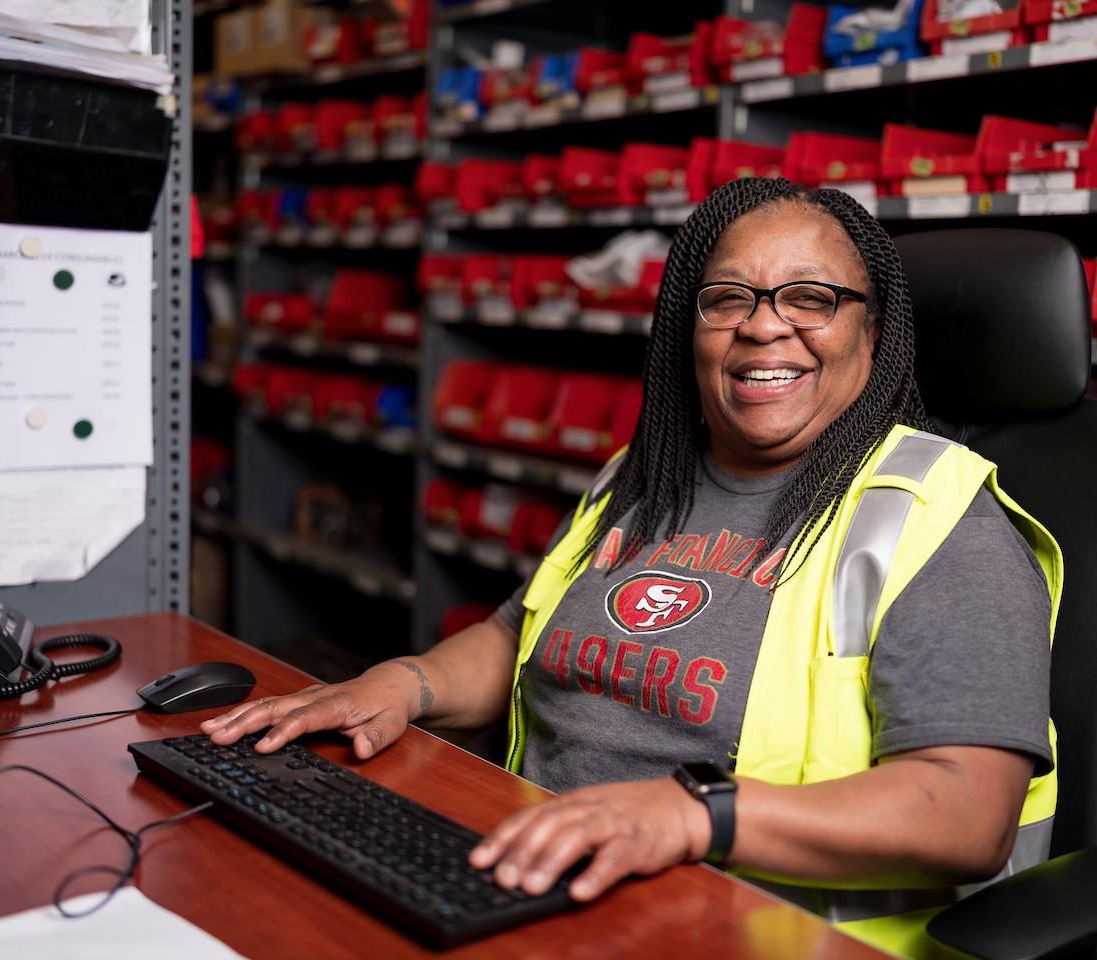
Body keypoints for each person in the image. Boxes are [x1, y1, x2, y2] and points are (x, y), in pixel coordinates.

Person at [202, 177, 1060, 959]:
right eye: (730, 299)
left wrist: (693, 814)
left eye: (812, 299)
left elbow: (966, 814)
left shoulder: (933, 522)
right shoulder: (644, 476)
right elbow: (520, 633)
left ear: (872, 335)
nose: (764, 324)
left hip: (758, 932)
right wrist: (403, 684)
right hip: (540, 882)